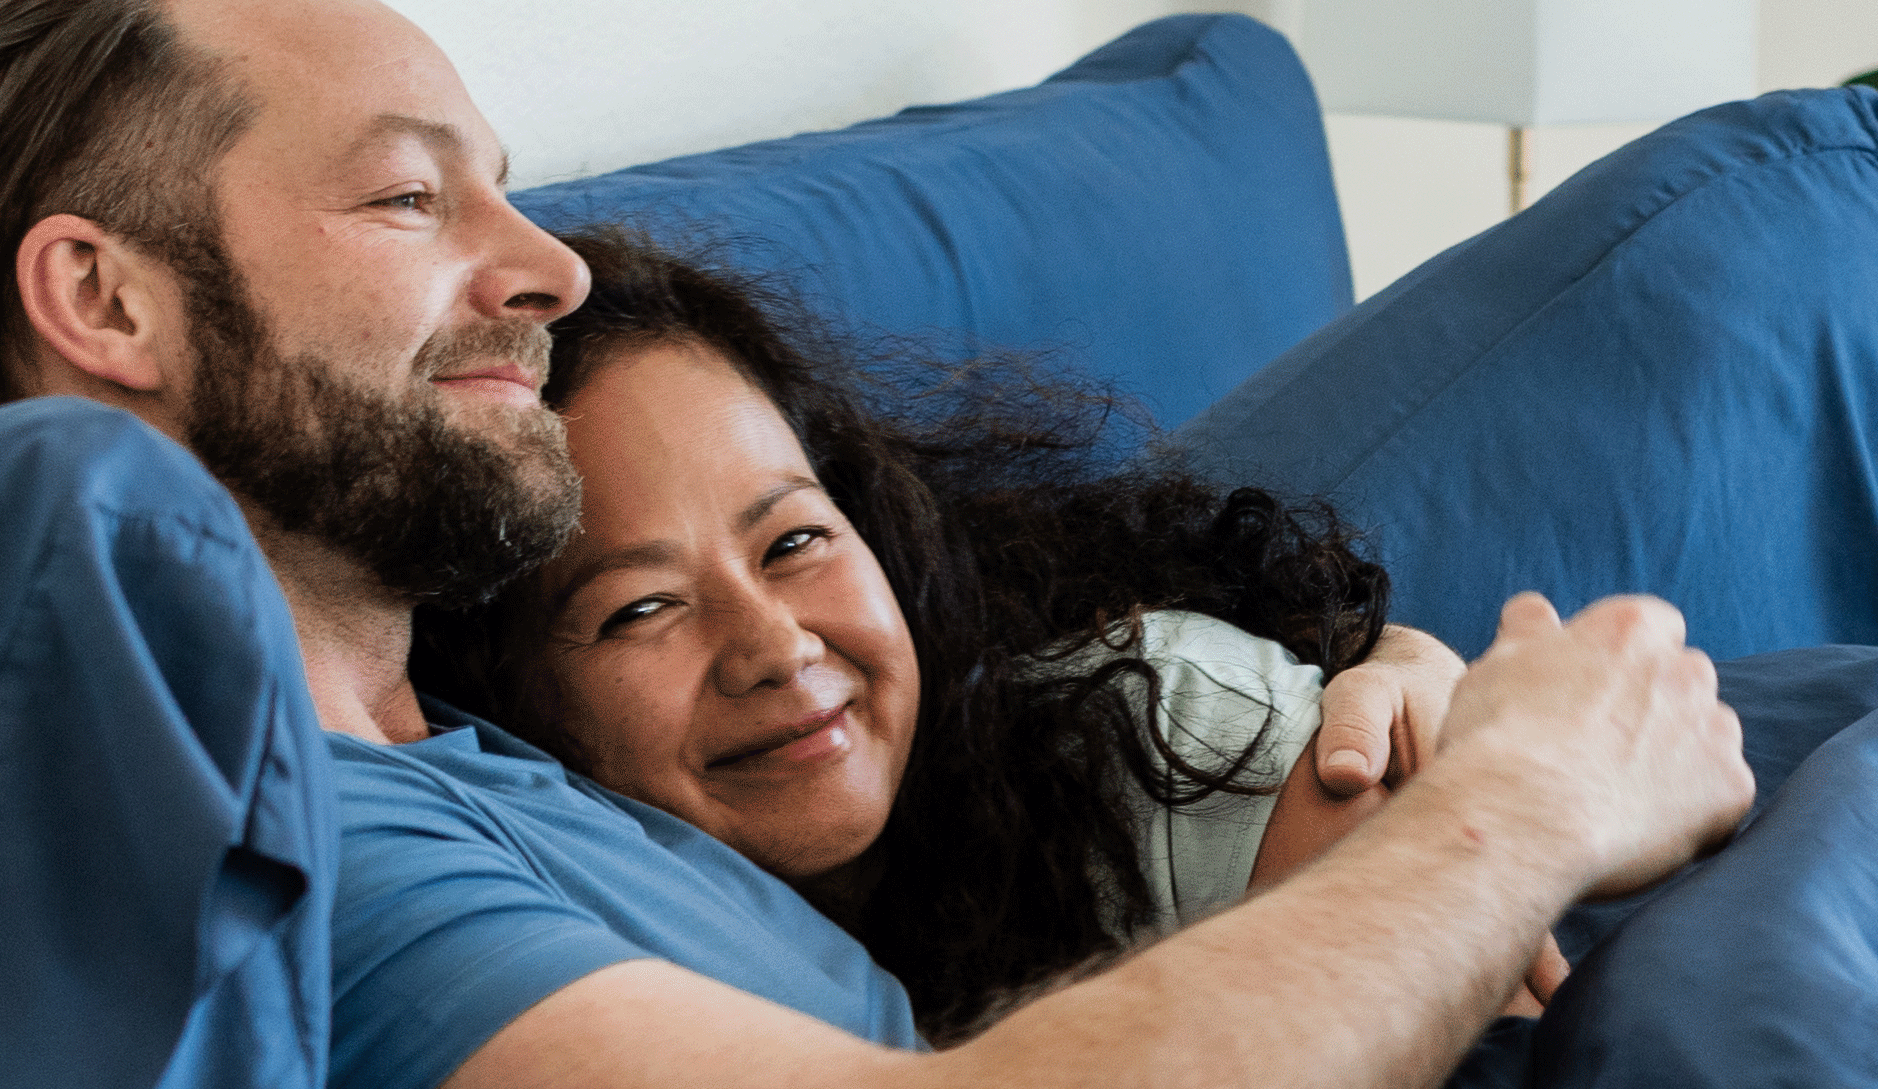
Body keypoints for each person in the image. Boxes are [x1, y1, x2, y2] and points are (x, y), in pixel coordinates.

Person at [0, 0, 1749, 1089]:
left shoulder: (496, 769)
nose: (538, 270)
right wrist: (1519, 807)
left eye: (507, 189)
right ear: (102, 295)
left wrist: (1416, 713)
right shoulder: (280, 852)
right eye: (408, 194)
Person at [409, 225, 1570, 1040]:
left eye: (796, 542)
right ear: (500, 699)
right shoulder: (524, 951)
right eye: (639, 610)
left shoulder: (1164, 733)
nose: (774, 646)